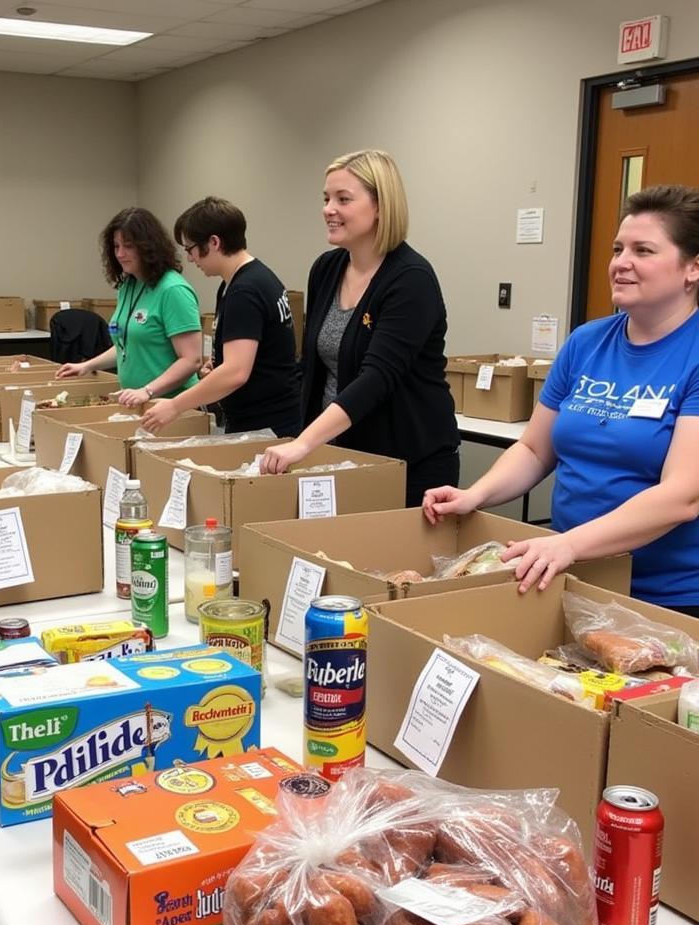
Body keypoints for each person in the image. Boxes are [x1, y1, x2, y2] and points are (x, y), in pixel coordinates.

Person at [425, 184, 699, 610]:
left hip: (665, 598)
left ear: (692, 268)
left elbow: (682, 495)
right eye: (617, 249)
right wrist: (474, 495)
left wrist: (569, 544)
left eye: (643, 251)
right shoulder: (586, 342)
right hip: (571, 576)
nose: (621, 264)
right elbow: (536, 450)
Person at [259, 150, 459, 506]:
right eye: (326, 198)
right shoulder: (327, 268)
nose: (328, 209)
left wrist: (305, 442)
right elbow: (313, 369)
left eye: (343, 199)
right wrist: (300, 436)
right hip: (339, 452)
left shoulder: (411, 280)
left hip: (406, 461)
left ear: (380, 206)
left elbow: (376, 378)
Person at [140, 196, 301, 436]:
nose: (190, 258)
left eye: (191, 249)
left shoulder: (245, 290)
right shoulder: (242, 281)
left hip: (266, 425)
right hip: (259, 417)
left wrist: (175, 406)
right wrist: (219, 365)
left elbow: (236, 372)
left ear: (214, 242)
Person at [55, 207, 202, 406]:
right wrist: (87, 366)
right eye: (116, 246)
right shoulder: (129, 286)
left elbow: (191, 360)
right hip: (138, 403)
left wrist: (148, 391)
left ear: (148, 247)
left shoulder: (173, 290)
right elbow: (126, 345)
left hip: (173, 405)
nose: (120, 254)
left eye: (128, 246)